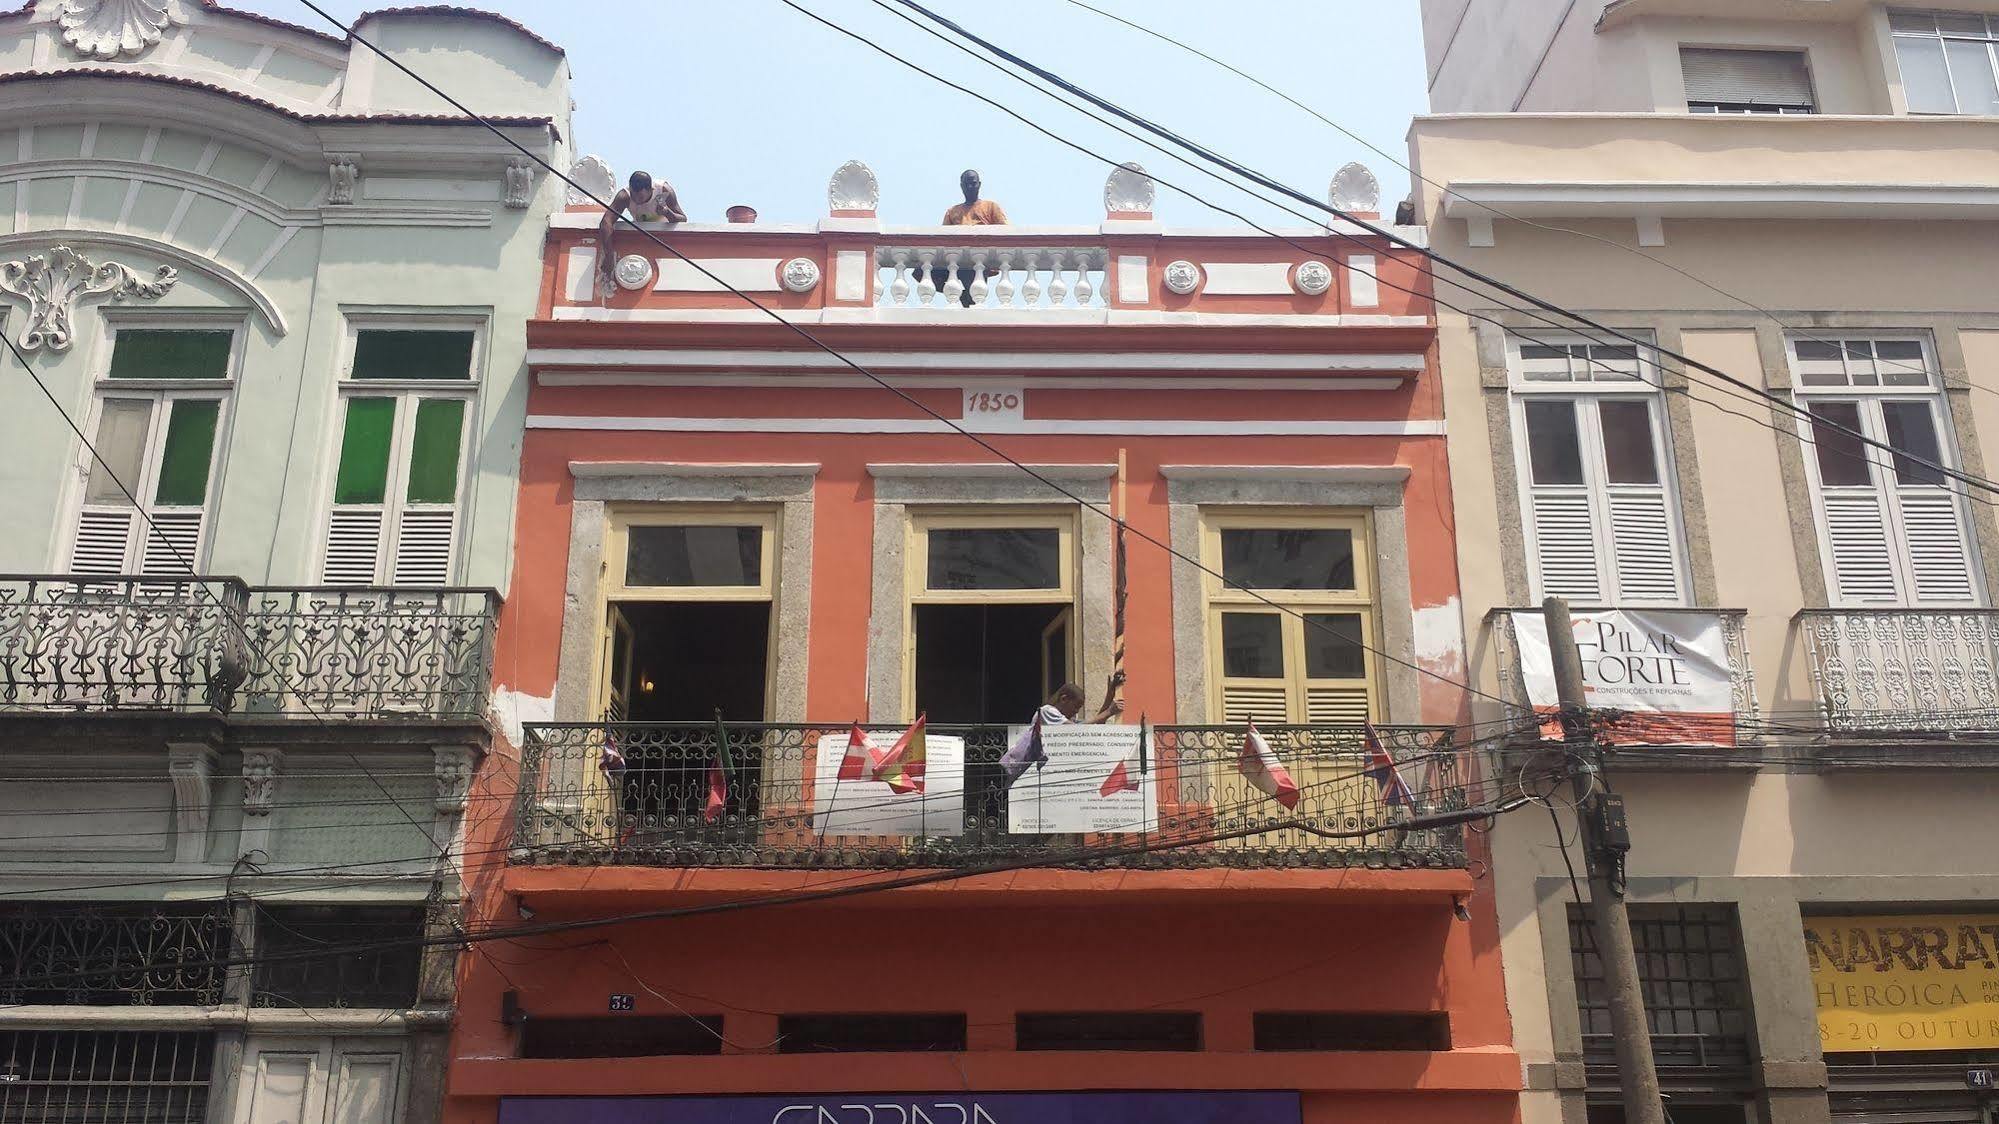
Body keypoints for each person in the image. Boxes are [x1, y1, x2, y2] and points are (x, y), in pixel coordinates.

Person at [597, 170, 686, 289]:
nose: (637, 200)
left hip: (665, 240)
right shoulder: (625, 196)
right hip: (642, 238)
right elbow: (606, 222)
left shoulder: (663, 190)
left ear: (651, 190)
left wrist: (667, 212)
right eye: (634, 195)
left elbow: (683, 219)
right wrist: (608, 256)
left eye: (641, 197)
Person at [933, 169, 1007, 306]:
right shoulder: (952, 211)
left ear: (979, 184)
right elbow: (943, 238)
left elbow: (1005, 232)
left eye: (973, 183)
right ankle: (960, 294)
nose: (970, 187)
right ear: (961, 186)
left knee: (974, 300)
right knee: (920, 272)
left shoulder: (991, 207)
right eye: (966, 184)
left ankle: (967, 301)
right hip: (956, 260)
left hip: (979, 261)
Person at [1039, 671, 1124, 726]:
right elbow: (1076, 730)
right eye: (1076, 706)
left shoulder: (1069, 720)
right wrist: (1109, 712)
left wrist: (1110, 695)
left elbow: (1095, 725)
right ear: (1064, 699)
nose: (1076, 711)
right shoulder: (1046, 711)